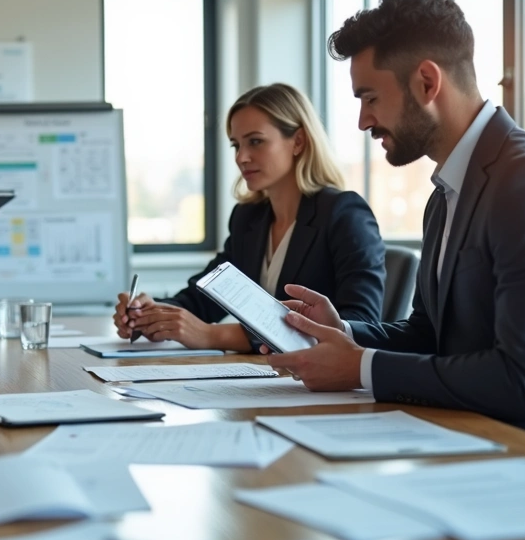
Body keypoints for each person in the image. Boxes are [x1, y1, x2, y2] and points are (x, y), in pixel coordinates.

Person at [265, 0, 525, 459]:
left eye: (370, 97)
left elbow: (522, 382)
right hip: (476, 433)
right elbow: (430, 333)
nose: (362, 121)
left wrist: (359, 368)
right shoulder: (447, 193)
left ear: (426, 82)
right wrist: (346, 334)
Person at [114, 83, 386, 351]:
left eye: (256, 141)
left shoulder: (344, 214)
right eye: (236, 145)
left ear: (298, 141)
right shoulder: (249, 219)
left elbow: (359, 325)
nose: (242, 157)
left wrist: (213, 336)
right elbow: (203, 299)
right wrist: (150, 313)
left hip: (320, 386)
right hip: (263, 378)